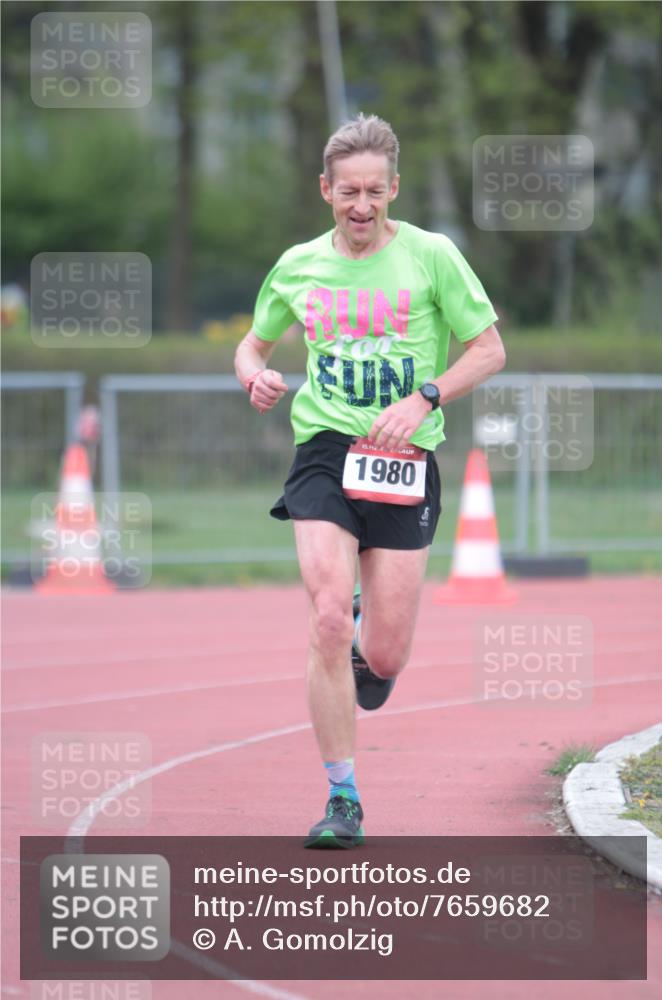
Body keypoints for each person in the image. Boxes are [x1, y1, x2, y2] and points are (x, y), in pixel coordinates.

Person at [234, 113, 505, 848]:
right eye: (347, 191)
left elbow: (487, 349)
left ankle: (363, 633)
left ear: (393, 189)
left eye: (373, 192)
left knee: (382, 657)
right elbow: (251, 345)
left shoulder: (432, 257)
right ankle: (342, 796)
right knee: (325, 617)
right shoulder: (296, 265)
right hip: (324, 448)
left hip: (404, 458)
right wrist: (255, 375)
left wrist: (424, 398)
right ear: (325, 190)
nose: (360, 206)